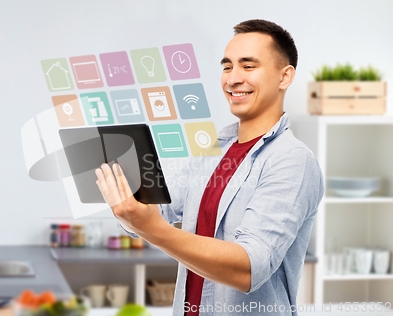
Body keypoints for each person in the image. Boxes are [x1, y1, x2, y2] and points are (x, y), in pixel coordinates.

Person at [95, 19, 324, 316]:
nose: (232, 78)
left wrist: (153, 228)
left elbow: (248, 269)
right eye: (227, 66)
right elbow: (158, 207)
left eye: (248, 66)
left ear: (285, 76)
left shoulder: (292, 160)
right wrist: (126, 185)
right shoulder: (215, 151)